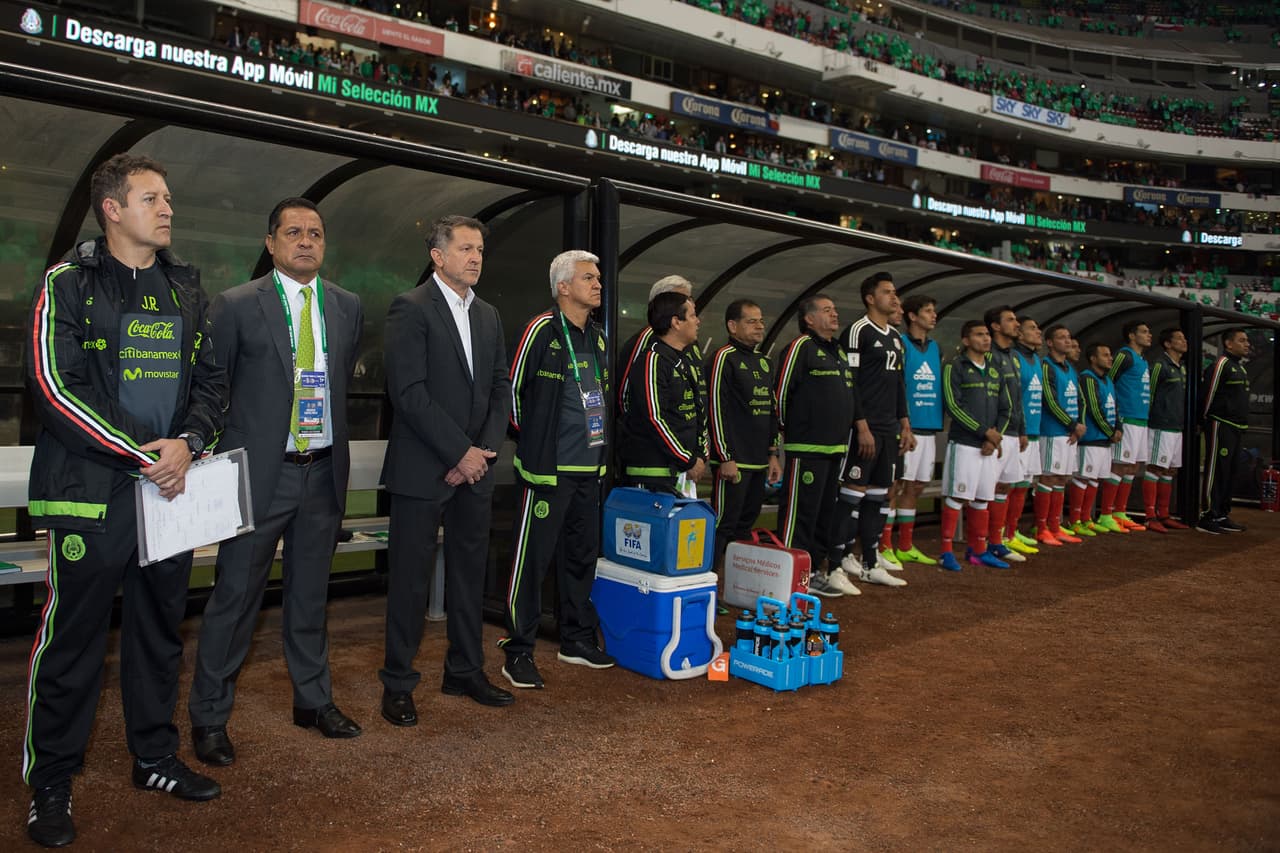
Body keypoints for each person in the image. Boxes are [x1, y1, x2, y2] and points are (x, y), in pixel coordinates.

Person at [22, 154, 227, 847]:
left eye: (167, 197)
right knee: (74, 640)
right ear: (112, 208)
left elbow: (210, 383)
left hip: (167, 494)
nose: (166, 208)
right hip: (94, 494)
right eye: (150, 197)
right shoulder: (69, 285)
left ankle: (155, 756)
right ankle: (50, 781)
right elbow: (56, 388)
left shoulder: (186, 289)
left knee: (159, 631)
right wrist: (150, 455)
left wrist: (189, 443)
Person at [188, 198, 364, 766]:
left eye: (315, 232)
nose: (306, 241)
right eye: (294, 232)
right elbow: (213, 390)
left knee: (310, 599)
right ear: (271, 243)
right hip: (258, 478)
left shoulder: (346, 306)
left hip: (321, 474)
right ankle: (209, 718)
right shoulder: (237, 306)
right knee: (234, 599)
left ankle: (313, 701)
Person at [380, 215, 514, 723]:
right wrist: (459, 453)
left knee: (467, 576)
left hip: (474, 470)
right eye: (465, 248)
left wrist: (478, 452)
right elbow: (408, 393)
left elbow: (500, 388)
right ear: (438, 256)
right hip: (423, 471)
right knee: (410, 582)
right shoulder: (410, 308)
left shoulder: (490, 315)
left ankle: (464, 669)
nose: (476, 257)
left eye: (480, 248)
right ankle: (397, 682)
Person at [499, 251, 614, 690]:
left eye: (598, 278)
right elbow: (511, 393)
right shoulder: (541, 330)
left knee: (582, 559)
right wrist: (531, 443)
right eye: (589, 278)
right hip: (548, 472)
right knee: (531, 564)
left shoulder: (599, 337)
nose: (598, 284)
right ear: (563, 287)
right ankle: (518, 649)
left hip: (590, 470)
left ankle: (576, 639)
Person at [774, 294, 859, 597]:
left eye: (835, 310)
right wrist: (786, 434)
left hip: (835, 451)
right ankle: (788, 578)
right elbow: (781, 394)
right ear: (809, 319)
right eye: (826, 310)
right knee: (800, 517)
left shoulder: (837, 350)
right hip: (805, 451)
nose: (834, 315)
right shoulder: (800, 348)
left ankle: (812, 574)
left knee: (824, 517)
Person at [833, 272, 910, 588]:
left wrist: (904, 423)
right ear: (870, 298)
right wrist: (860, 425)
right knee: (851, 496)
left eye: (895, 292)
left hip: (888, 429)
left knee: (879, 497)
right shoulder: (857, 332)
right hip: (863, 429)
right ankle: (834, 566)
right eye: (887, 292)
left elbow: (898, 384)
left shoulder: (895, 336)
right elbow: (848, 382)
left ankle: (869, 563)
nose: (894, 298)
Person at [705, 299, 783, 563]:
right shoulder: (722, 358)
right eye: (751, 321)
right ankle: (710, 581)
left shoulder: (764, 362)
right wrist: (725, 457)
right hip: (733, 463)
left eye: (761, 321)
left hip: (759, 462)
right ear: (732, 325)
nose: (759, 326)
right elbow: (715, 409)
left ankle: (733, 587)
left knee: (744, 526)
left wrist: (773, 454)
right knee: (722, 525)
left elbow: (772, 410)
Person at [937, 320, 1011, 571]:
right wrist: (984, 433)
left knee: (982, 498)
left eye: (987, 334)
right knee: (957, 496)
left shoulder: (995, 369)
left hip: (988, 446)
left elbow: (1006, 408)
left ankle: (978, 550)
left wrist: (995, 436)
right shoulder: (954, 367)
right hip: (965, 443)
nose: (986, 339)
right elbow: (953, 406)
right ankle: (946, 552)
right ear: (966, 340)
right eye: (979, 335)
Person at [620, 291, 707, 493]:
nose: (698, 321)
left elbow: (698, 411)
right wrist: (688, 459)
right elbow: (654, 418)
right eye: (693, 315)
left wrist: (700, 454)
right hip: (654, 474)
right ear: (676, 322)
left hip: (682, 471)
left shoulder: (683, 360)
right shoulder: (652, 360)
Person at [887, 294, 941, 566]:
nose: (934, 316)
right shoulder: (901, 344)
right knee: (894, 486)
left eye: (934, 311)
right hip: (906, 428)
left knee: (917, 486)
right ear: (912, 316)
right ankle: (885, 545)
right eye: (928, 311)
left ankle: (906, 546)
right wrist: (902, 420)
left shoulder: (934, 347)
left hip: (929, 427)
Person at [983, 305, 1028, 563]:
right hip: (997, 433)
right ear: (996, 326)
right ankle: (984, 542)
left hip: (1013, 431)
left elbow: (1016, 397)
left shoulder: (1013, 355)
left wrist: (1021, 430)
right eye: (1011, 320)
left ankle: (997, 541)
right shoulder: (990, 354)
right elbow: (988, 397)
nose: (1016, 324)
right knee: (989, 486)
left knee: (1005, 486)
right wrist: (993, 433)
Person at [1035, 324, 1086, 546]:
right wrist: (1072, 424)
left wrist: (1077, 425)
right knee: (1048, 477)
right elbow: (1049, 399)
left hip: (1068, 433)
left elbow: (1079, 399)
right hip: (1052, 431)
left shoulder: (1070, 369)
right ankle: (1042, 527)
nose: (1067, 341)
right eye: (1061, 337)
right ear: (1049, 343)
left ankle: (1055, 526)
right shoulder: (1047, 366)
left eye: (1069, 337)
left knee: (1061, 479)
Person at [1197, 329, 1251, 534]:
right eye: (1242, 340)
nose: (1247, 344)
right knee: (1216, 469)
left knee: (1230, 471)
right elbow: (1208, 394)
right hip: (1221, 424)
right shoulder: (1221, 365)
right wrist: (1203, 420)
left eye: (1247, 341)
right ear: (1228, 344)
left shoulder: (1240, 367)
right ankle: (1208, 515)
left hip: (1237, 427)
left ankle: (1221, 513)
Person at [1104, 321, 1153, 531]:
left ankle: (1120, 511)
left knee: (1133, 466)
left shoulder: (1142, 360)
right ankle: (1106, 513)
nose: (1149, 335)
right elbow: (1108, 380)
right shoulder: (1124, 355)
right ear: (1132, 336)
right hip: (1126, 417)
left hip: (1141, 419)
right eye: (1144, 331)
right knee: (1119, 465)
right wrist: (1114, 417)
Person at [1002, 316, 1044, 555]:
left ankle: (1012, 531)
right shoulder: (1015, 357)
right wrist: (1020, 428)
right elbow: (1014, 395)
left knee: (1024, 484)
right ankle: (1000, 534)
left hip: (1035, 430)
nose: (1037, 331)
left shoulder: (1036, 358)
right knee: (1010, 483)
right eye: (1032, 328)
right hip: (1019, 431)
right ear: (1020, 335)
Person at [1070, 343, 1121, 536]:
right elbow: (1093, 408)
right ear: (1093, 358)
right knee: (1083, 477)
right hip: (1091, 438)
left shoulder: (1108, 380)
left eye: (1110, 355)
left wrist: (1119, 428)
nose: (1110, 358)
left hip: (1104, 440)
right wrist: (1110, 431)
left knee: (1095, 479)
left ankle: (1086, 519)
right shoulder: (1087, 378)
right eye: (1105, 355)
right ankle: (1075, 520)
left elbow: (1115, 407)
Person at [1144, 328, 1190, 530]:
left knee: (1170, 470)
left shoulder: (1181, 367)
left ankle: (1164, 514)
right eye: (1178, 338)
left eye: (1184, 337)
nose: (1184, 341)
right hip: (1160, 425)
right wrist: (1150, 419)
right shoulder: (1159, 365)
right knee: (1155, 467)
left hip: (1176, 426)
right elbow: (1150, 393)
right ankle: (1149, 515)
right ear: (1167, 344)